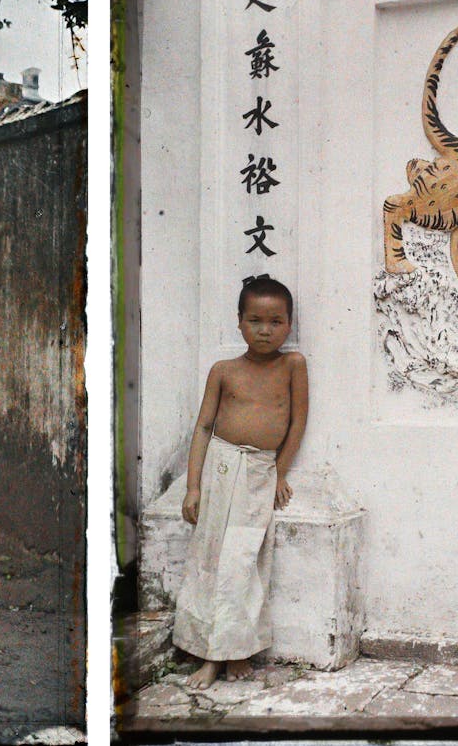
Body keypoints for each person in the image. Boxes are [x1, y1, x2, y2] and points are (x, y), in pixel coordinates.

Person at [172, 275, 308, 689]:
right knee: (210, 563)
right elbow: (203, 428)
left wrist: (280, 471)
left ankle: (237, 651)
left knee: (242, 564)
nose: (265, 330)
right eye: (255, 321)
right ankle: (211, 657)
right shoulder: (223, 370)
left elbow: (298, 421)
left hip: (259, 474)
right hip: (221, 470)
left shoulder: (293, 365)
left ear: (288, 325)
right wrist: (193, 486)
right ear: (239, 323)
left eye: (275, 321)